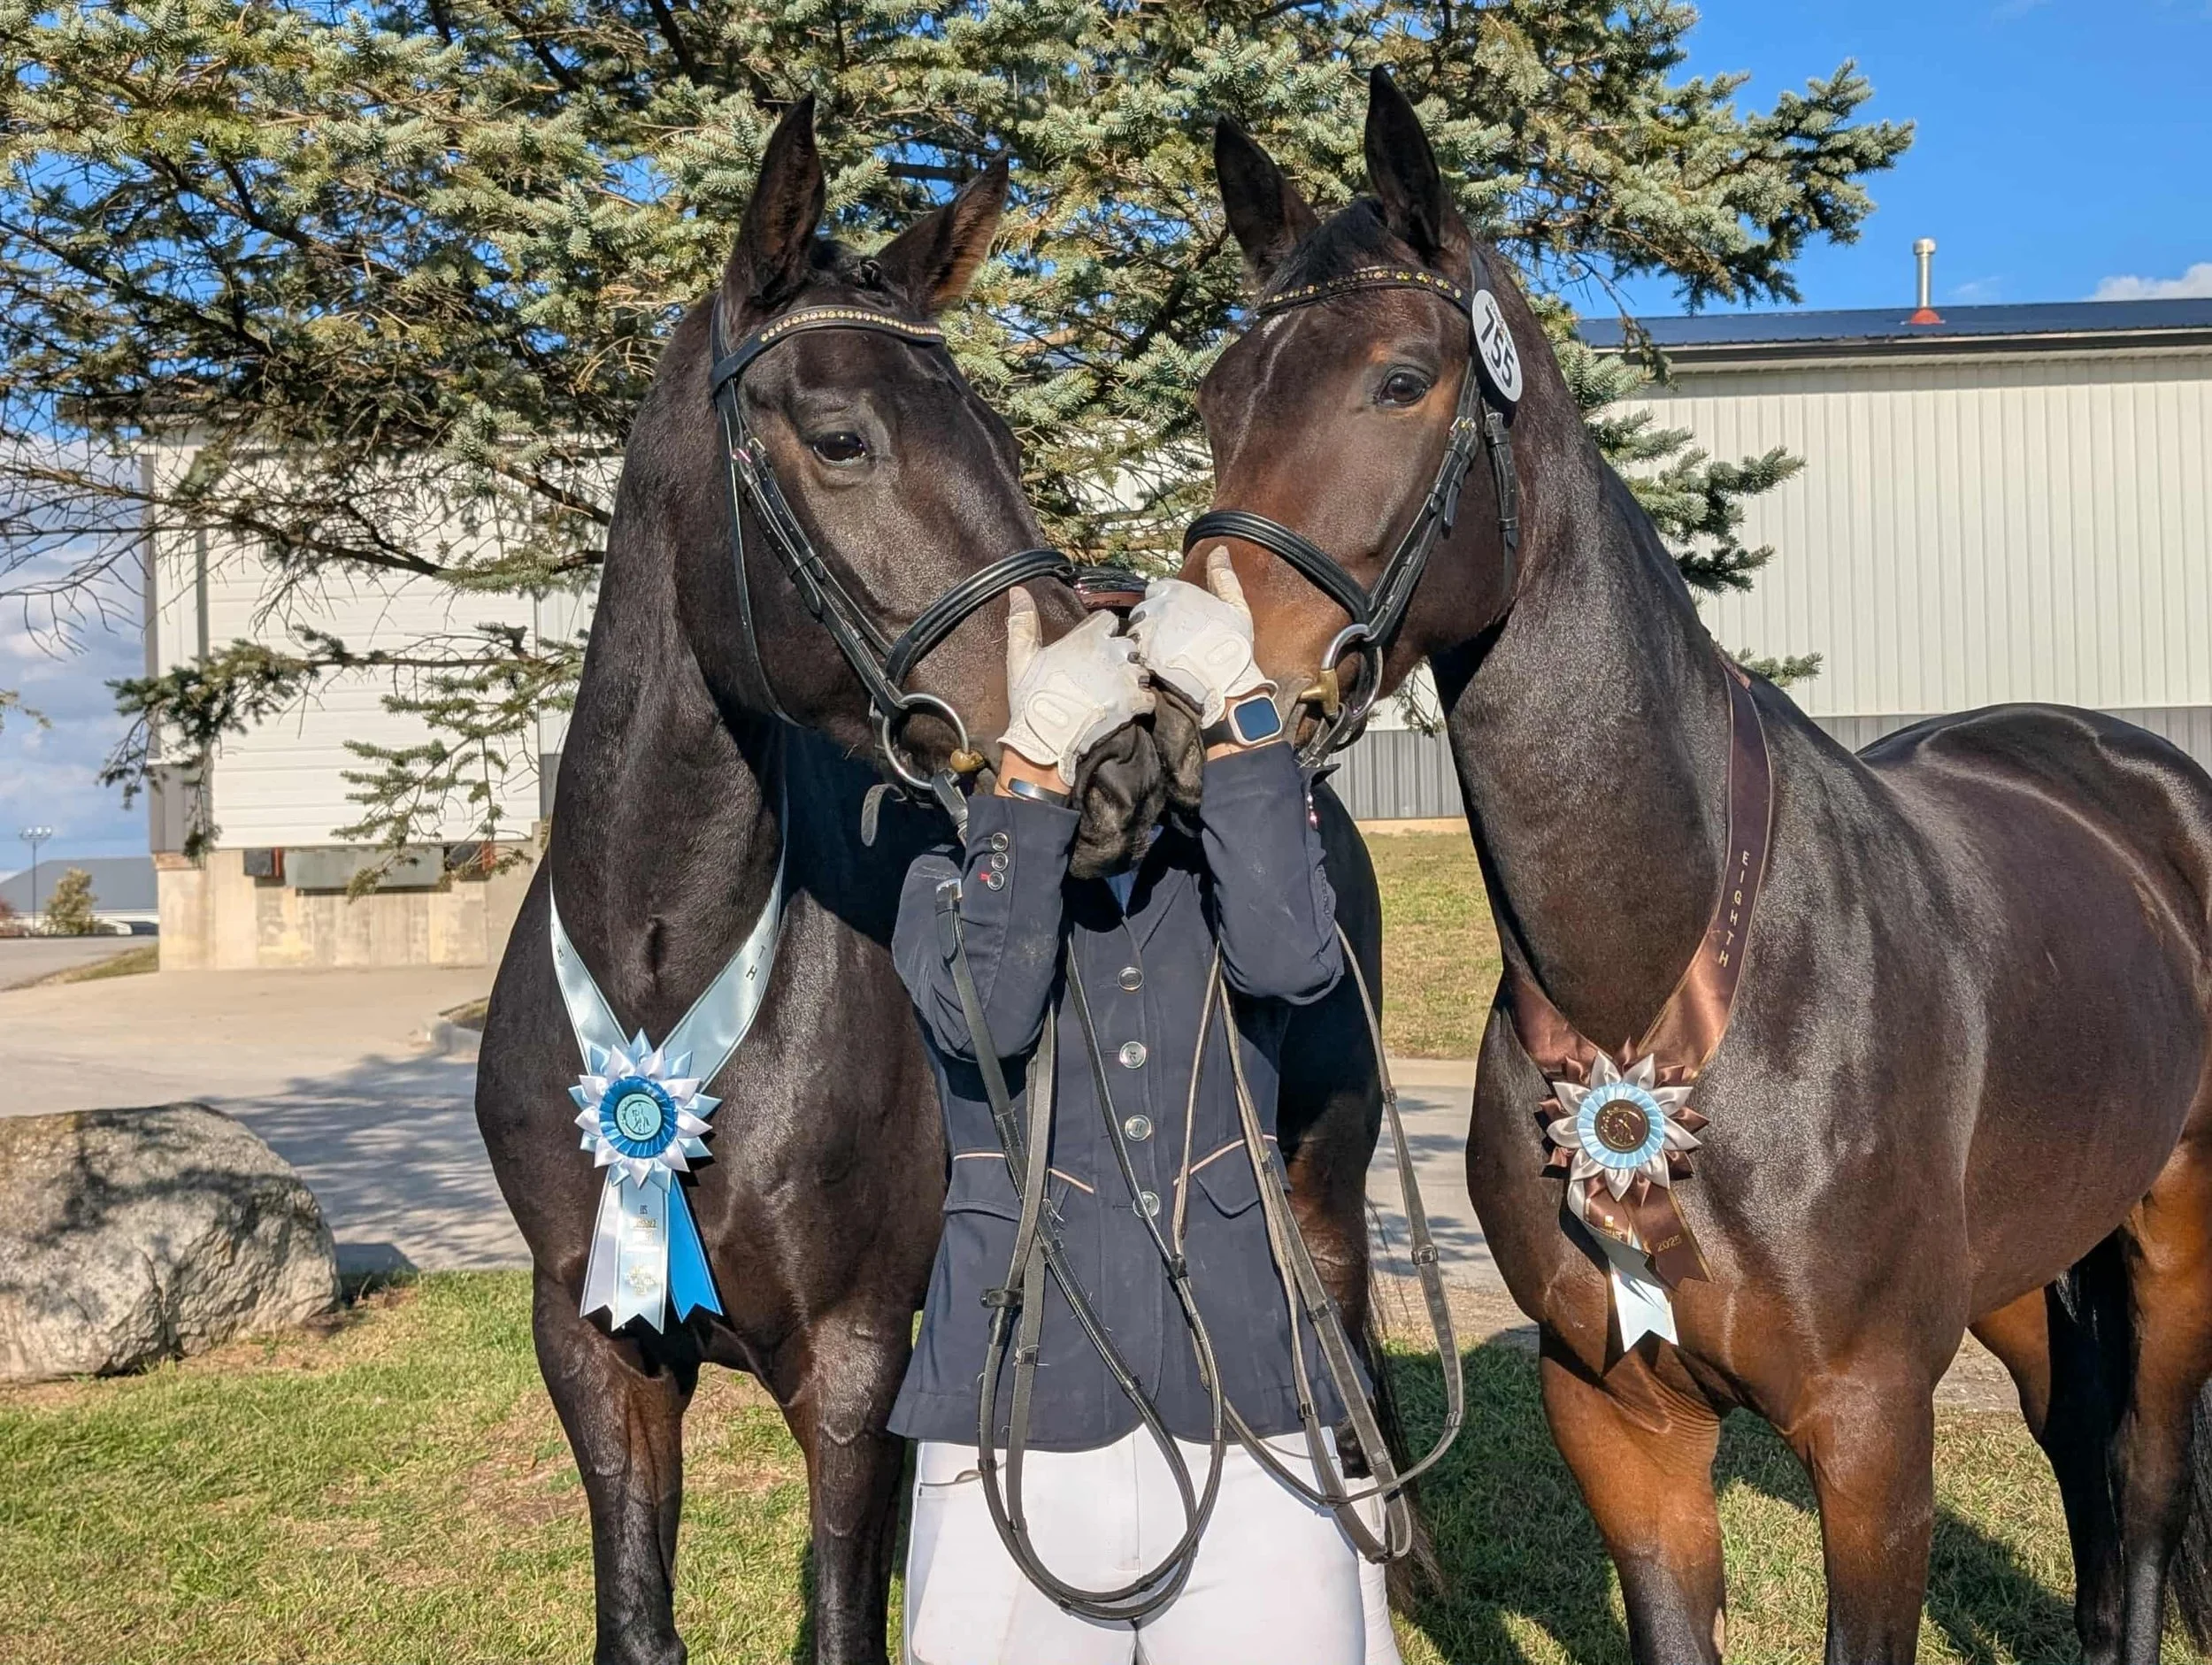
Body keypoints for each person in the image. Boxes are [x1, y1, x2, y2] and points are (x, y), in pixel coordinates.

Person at [889, 549, 1402, 1665]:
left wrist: (1241, 713)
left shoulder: (1227, 875)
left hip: (1249, 1392)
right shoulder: (943, 877)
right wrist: (1026, 774)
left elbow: (1289, 958)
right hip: (1012, 1405)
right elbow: (993, 1009)